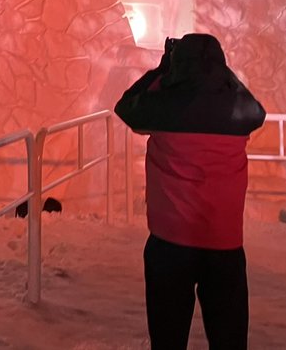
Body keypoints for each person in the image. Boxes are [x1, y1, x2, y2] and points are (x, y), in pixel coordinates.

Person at [114, 33, 266, 350]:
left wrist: (162, 69)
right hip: (225, 244)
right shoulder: (239, 110)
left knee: (168, 340)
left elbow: (127, 106)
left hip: (170, 243)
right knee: (229, 341)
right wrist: (221, 74)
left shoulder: (164, 106)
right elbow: (257, 110)